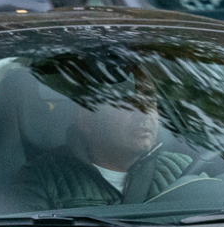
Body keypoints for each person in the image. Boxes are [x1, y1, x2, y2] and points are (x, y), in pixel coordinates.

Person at [20, 85, 200, 209]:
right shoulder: (39, 181)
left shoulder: (185, 169)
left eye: (150, 102)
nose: (144, 114)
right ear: (87, 119)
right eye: (127, 103)